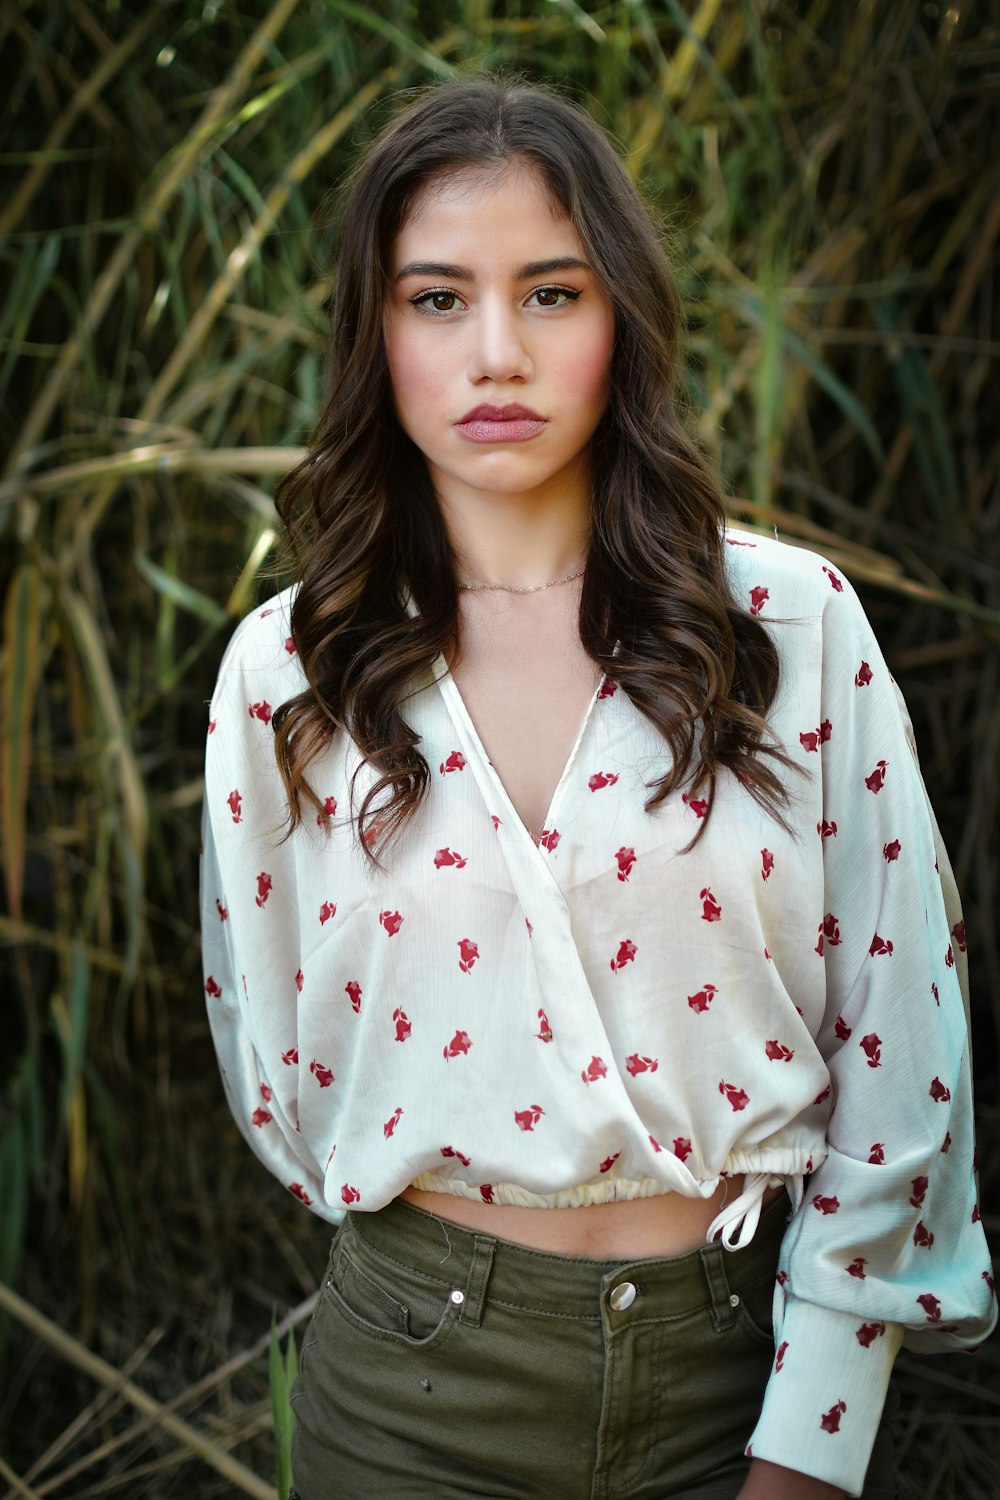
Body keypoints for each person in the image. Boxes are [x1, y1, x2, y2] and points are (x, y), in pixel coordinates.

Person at [200, 75, 996, 1500]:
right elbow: (276, 1063)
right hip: (411, 1392)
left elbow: (902, 1046)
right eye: (437, 298)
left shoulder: (787, 628)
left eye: (552, 293)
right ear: (372, 331)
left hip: (737, 1377)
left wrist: (813, 1436)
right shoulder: (289, 672)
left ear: (620, 315)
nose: (495, 351)